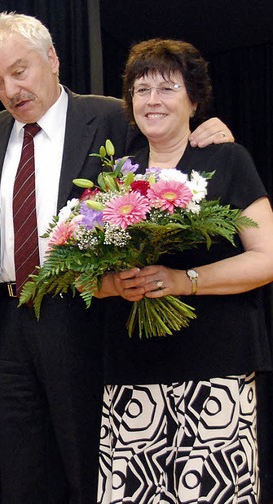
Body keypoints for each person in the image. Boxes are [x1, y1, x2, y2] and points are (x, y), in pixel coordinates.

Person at [0, 13, 233, 504]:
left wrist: (207, 133)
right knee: (20, 472)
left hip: (85, 313)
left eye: (20, 71)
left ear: (52, 59)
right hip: (5, 322)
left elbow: (168, 153)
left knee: (92, 465)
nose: (11, 89)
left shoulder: (113, 117)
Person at [95, 38, 273, 502]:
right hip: (133, 373)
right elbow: (83, 274)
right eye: (141, 89)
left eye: (167, 88)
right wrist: (114, 284)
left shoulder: (227, 160)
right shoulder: (116, 175)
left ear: (194, 100)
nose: (152, 100)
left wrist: (185, 281)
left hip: (215, 371)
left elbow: (267, 257)